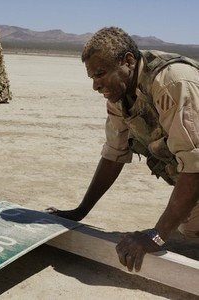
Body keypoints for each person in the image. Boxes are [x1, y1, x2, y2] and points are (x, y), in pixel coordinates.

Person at [48, 27, 199, 272]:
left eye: (101, 74)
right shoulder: (119, 95)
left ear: (128, 61)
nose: (96, 86)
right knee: (190, 226)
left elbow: (195, 166)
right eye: (92, 78)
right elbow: (113, 155)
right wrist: (79, 212)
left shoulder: (171, 81)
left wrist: (156, 236)